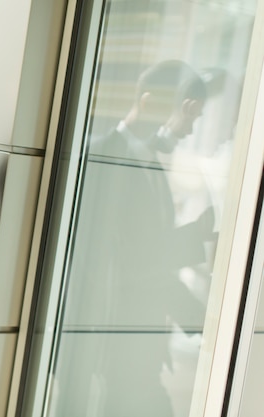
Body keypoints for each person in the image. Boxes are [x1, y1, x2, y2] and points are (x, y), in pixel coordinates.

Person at [56, 60, 215, 416]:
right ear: (147, 103)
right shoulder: (101, 158)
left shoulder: (150, 163)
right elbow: (125, 261)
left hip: (138, 351)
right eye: (187, 115)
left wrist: (204, 321)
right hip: (107, 348)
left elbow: (148, 261)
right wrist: (195, 239)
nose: (189, 129)